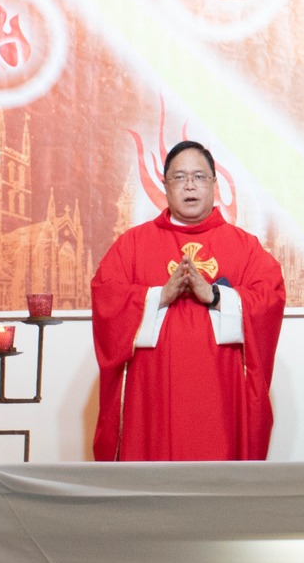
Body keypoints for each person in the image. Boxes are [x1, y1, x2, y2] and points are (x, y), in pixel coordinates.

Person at [91, 141, 285, 460]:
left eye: (199, 176)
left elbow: (270, 297)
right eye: (179, 177)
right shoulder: (132, 246)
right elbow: (106, 298)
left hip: (220, 399)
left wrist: (215, 295)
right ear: (165, 186)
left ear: (214, 185)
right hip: (151, 398)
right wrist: (157, 296)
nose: (190, 185)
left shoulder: (244, 247)